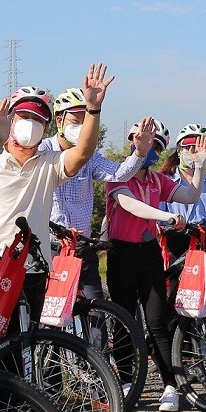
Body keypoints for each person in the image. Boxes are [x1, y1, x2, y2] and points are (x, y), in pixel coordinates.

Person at [0, 64, 114, 314]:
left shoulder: (50, 163)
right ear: (10, 121)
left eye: (37, 119)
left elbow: (83, 153)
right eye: (24, 117)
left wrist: (93, 109)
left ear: (46, 128)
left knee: (26, 346)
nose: (30, 124)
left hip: (33, 269)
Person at [105, 119, 202, 412]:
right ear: (133, 141)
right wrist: (166, 217)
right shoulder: (117, 173)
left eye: (156, 146)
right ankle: (125, 383)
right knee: (123, 321)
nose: (150, 149)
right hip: (120, 253)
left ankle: (170, 385)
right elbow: (129, 205)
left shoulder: (157, 181)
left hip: (149, 254)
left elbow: (190, 195)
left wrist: (199, 164)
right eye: (144, 142)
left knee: (158, 322)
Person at [41, 87, 144, 299]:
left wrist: (139, 153)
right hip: (50, 247)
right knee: (49, 319)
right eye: (75, 121)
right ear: (59, 121)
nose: (81, 127)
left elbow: (119, 173)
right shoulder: (42, 150)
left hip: (82, 246)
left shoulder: (91, 156)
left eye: (85, 122)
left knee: (95, 312)